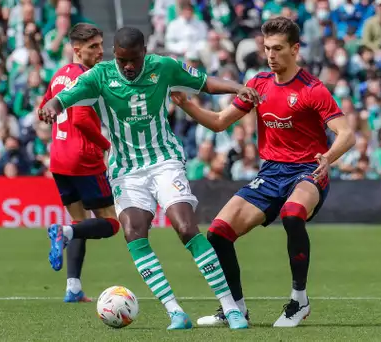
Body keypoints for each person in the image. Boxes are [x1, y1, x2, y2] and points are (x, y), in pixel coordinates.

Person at [38, 26, 260, 330]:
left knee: (185, 227)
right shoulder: (100, 75)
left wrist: (237, 88)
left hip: (164, 161)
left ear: (145, 53)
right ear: (114, 55)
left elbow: (205, 82)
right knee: (133, 232)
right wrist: (51, 105)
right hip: (126, 170)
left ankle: (230, 307)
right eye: (122, 60)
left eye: (134, 60)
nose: (128, 67)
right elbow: (65, 96)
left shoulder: (164, 67)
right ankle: (175, 312)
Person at [170, 17, 355, 328]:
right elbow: (219, 122)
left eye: (278, 48)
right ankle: (236, 309)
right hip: (270, 174)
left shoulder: (313, 89)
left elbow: (346, 133)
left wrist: (329, 157)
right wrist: (186, 104)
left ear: (295, 49)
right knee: (217, 233)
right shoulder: (257, 84)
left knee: (293, 213)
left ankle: (299, 300)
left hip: (308, 170)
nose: (271, 54)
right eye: (267, 48)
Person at [38, 23, 121, 303]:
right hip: (83, 159)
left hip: (59, 158)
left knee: (79, 221)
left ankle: (73, 288)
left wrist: (50, 119)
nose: (100, 52)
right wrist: (108, 147)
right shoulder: (84, 79)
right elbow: (81, 119)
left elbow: (44, 107)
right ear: (77, 50)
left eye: (100, 45)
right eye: (93, 47)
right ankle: (63, 232)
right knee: (111, 223)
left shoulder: (60, 75)